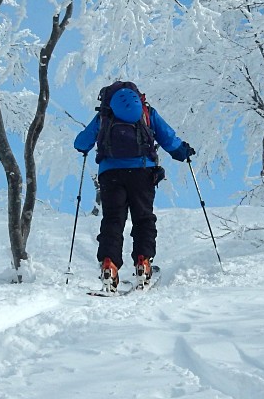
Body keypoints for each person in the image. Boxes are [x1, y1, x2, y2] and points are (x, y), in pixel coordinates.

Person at [73, 80, 195, 291]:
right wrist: (182, 152)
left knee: (113, 220)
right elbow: (168, 138)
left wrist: (84, 148)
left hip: (110, 174)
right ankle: (143, 262)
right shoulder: (146, 112)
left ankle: (109, 265)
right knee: (143, 218)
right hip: (142, 172)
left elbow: (81, 143)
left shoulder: (105, 115)